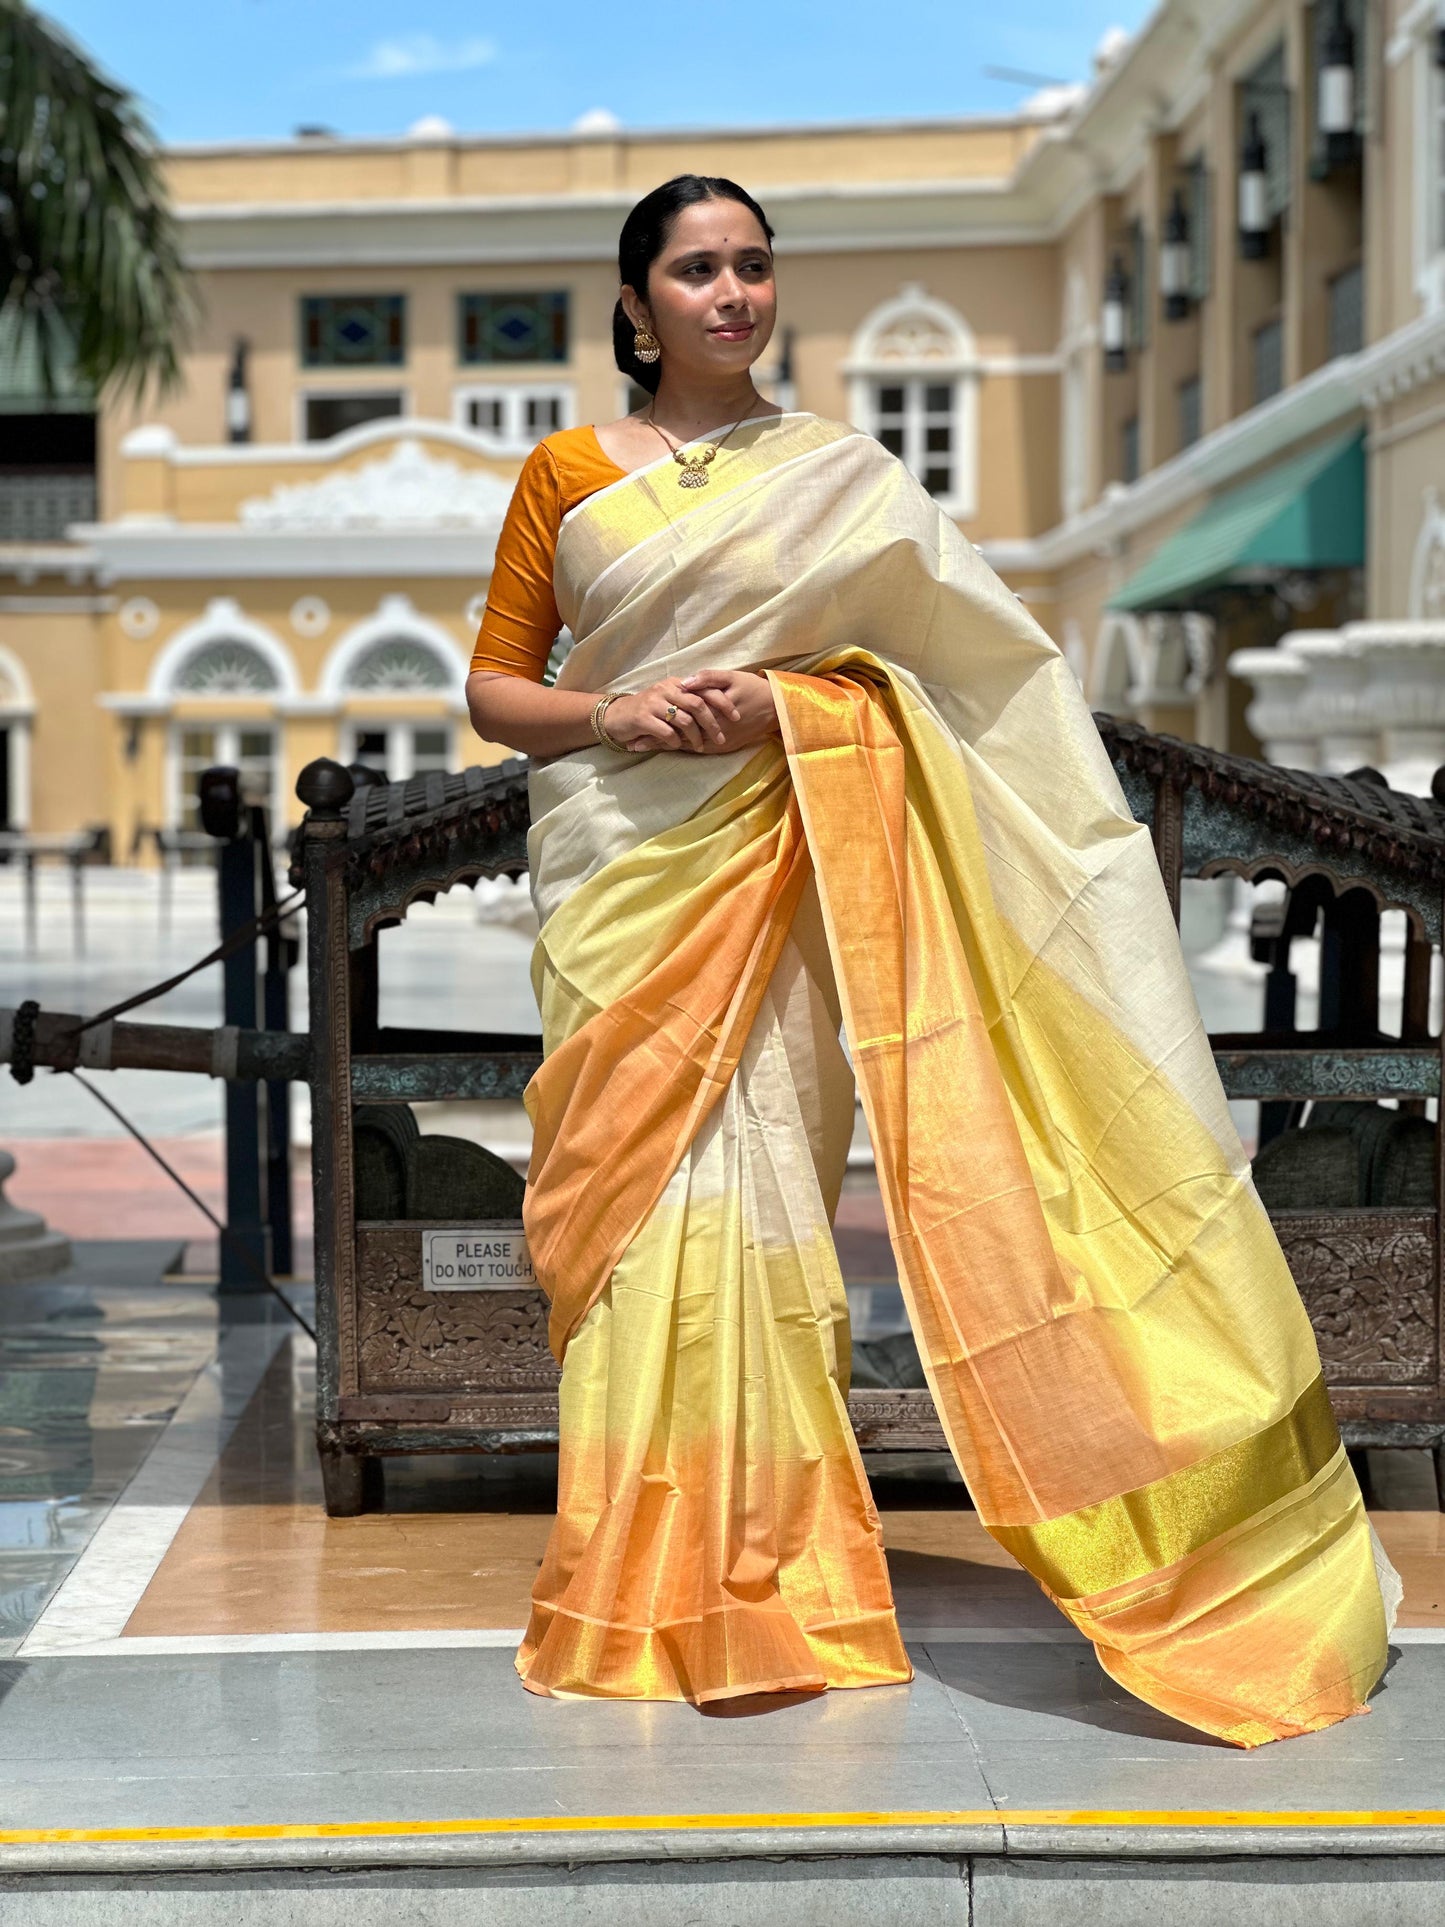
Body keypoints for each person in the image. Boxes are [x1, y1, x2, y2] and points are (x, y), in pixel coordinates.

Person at [465, 174, 1398, 1743]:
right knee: (640, 1227)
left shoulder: (844, 479)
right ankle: (642, 1570)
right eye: (695, 269)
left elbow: (969, 679)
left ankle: (780, 1573)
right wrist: (620, 712)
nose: (730, 293)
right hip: (630, 887)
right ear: (634, 305)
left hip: (792, 872)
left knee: (763, 1216)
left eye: (752, 265)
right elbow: (498, 694)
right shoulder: (565, 475)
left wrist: (804, 706)